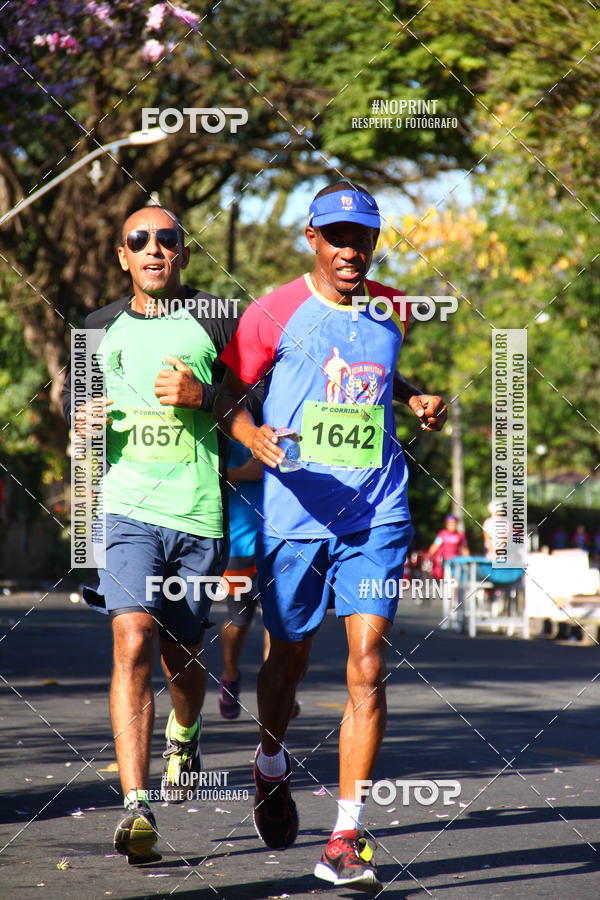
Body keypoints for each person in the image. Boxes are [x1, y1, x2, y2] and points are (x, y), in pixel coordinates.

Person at [214, 181, 447, 892]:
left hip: (375, 513)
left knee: (368, 665)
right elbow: (227, 384)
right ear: (311, 238)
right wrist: (249, 429)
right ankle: (271, 761)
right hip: (295, 515)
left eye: (363, 237)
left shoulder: (388, 308)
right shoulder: (274, 310)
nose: (351, 249)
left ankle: (345, 837)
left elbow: (372, 371)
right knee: (287, 659)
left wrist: (414, 397)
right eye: (338, 236)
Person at [62, 206, 242, 864]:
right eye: (140, 241)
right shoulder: (95, 327)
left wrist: (204, 394)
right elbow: (73, 401)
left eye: (167, 239)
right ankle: (137, 808)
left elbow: (259, 395)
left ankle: (186, 730)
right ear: (122, 256)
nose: (154, 249)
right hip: (125, 510)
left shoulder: (221, 318)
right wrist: (78, 420)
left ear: (183, 253)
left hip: (196, 511)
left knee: (183, 656)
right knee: (132, 638)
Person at [426, 513, 469, 579]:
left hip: (456, 562)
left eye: (453, 523)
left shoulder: (460, 535)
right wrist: (429, 555)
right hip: (444, 562)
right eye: (450, 523)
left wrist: (468, 561)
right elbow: (435, 546)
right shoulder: (442, 534)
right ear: (446, 524)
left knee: (455, 580)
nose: (452, 525)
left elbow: (464, 549)